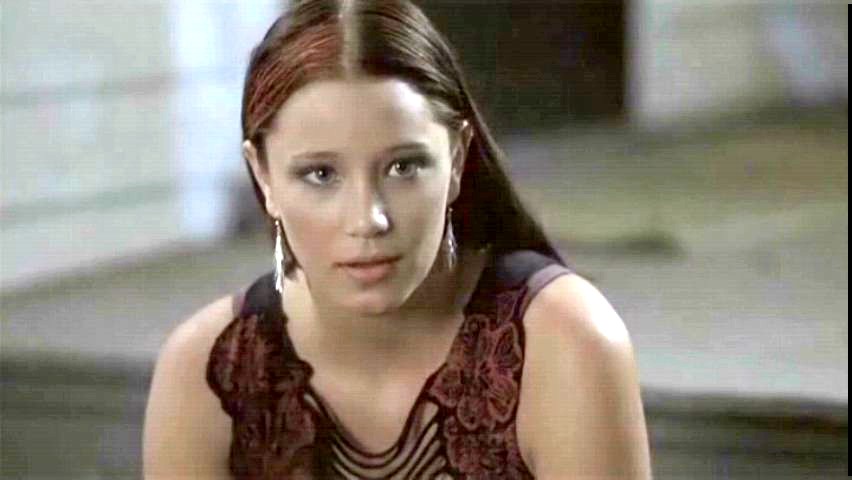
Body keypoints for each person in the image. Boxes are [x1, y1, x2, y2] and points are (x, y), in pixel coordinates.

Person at [143, 0, 652, 478]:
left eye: (403, 167)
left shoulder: (564, 343)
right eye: (320, 174)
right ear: (264, 177)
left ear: (457, 160)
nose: (368, 219)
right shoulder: (206, 369)